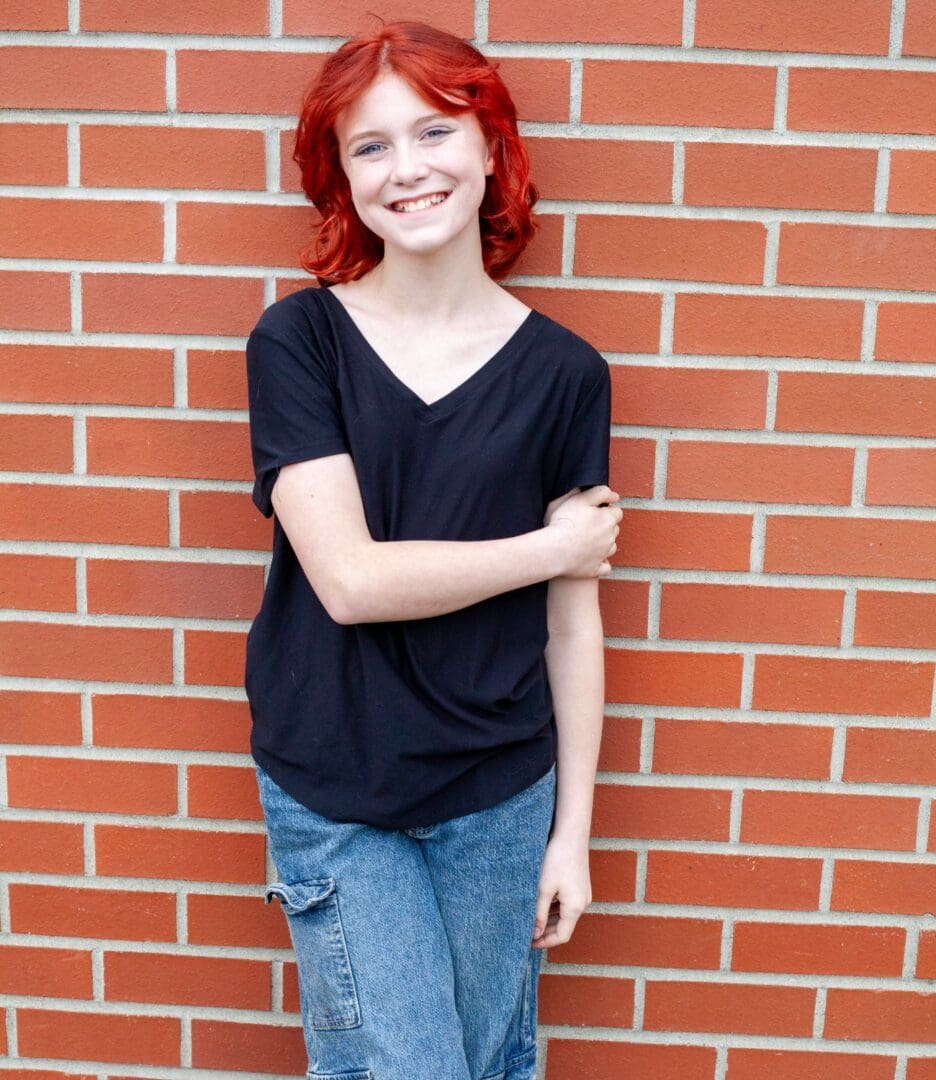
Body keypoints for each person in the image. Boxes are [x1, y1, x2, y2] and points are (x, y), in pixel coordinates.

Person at [243, 19, 622, 1080]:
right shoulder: (299, 343)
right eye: (370, 146)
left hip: (501, 794)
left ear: (491, 148)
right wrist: (552, 546)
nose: (406, 168)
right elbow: (352, 581)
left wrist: (571, 836)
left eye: (435, 132)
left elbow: (572, 622)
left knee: (491, 1064)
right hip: (338, 789)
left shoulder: (566, 374)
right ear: (343, 178)